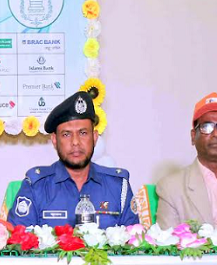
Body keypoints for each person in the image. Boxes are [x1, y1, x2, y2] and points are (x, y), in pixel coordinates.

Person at [8, 91, 138, 229]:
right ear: (54, 140)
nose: (75, 142)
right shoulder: (36, 186)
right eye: (66, 134)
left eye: (83, 133)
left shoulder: (118, 187)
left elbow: (135, 240)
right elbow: (18, 239)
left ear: (94, 137)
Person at [156, 93, 217, 228]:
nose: (216, 134)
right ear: (193, 136)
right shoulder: (171, 187)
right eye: (207, 127)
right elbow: (166, 240)